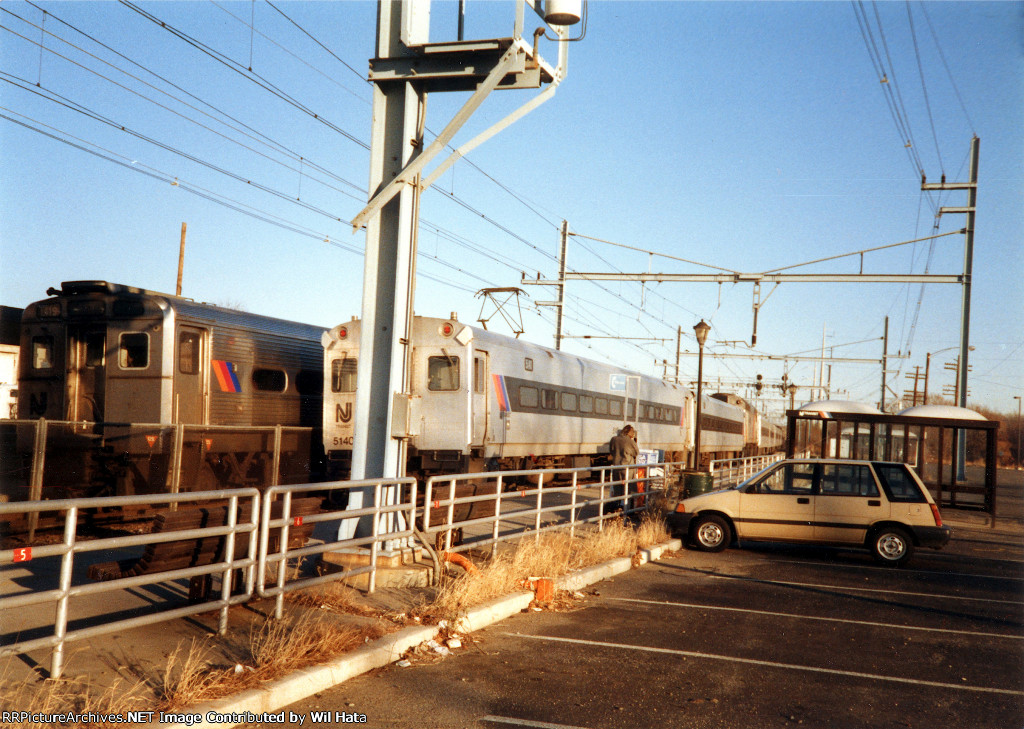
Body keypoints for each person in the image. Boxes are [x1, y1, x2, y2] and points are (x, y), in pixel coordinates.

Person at [609, 425, 639, 512]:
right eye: (633, 432)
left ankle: (616, 508)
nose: (633, 434)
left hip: (616, 467)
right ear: (630, 432)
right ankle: (626, 510)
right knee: (628, 490)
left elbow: (611, 451)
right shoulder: (629, 441)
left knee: (617, 489)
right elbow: (636, 452)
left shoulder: (614, 439)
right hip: (627, 469)